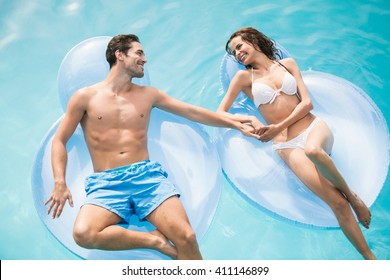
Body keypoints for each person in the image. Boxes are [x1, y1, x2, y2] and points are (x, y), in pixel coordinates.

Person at [45, 34, 258, 260]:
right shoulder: (84, 97)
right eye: (139, 53)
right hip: (106, 184)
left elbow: (192, 111)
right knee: (83, 233)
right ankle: (153, 240)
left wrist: (237, 123)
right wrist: (60, 181)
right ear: (119, 55)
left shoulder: (149, 95)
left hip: (146, 178)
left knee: (186, 237)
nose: (144, 59)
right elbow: (60, 140)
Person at [216, 27, 376, 260]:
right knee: (337, 205)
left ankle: (353, 197)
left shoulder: (287, 64)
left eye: (240, 46)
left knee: (313, 150)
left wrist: (277, 127)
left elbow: (307, 103)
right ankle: (371, 260)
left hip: (313, 128)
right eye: (233, 52)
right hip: (287, 146)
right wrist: (248, 122)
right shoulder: (243, 78)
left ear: (254, 41)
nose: (237, 53)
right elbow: (221, 113)